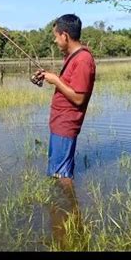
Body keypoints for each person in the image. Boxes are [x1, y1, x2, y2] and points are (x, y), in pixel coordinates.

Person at [34, 14, 96, 245]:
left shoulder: (82, 60)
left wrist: (55, 80)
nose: (55, 41)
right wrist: (48, 77)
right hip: (60, 122)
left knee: (61, 175)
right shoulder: (74, 57)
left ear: (65, 35)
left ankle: (70, 216)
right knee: (58, 171)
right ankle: (65, 214)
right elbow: (69, 86)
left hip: (66, 124)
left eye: (56, 37)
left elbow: (78, 98)